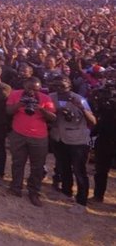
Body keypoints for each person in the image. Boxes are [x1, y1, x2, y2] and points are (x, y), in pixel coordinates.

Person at [6, 77, 57, 207]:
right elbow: (8, 111)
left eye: (36, 89)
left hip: (39, 137)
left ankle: (34, 192)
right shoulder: (15, 94)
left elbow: (53, 117)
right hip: (18, 134)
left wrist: (41, 109)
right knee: (18, 162)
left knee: (37, 166)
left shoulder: (45, 98)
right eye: (30, 89)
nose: (33, 92)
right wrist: (20, 104)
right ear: (25, 85)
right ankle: (16, 187)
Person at [49, 75, 96, 213]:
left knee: (79, 171)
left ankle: (81, 202)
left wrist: (81, 108)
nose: (59, 89)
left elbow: (93, 121)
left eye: (62, 85)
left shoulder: (79, 99)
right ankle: (66, 192)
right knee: (63, 167)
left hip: (78, 140)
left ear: (69, 85)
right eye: (56, 85)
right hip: (58, 138)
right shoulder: (51, 97)